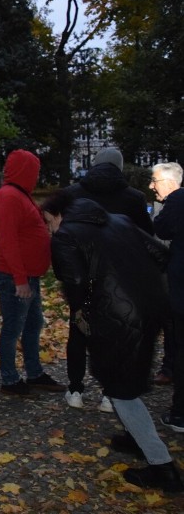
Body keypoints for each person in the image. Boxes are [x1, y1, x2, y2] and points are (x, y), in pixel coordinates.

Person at [41, 190, 183, 492]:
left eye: (47, 222)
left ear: (57, 214)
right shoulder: (119, 221)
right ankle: (135, 437)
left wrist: (81, 311)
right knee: (130, 377)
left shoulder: (65, 235)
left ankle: (163, 467)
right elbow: (161, 254)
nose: (48, 228)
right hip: (152, 309)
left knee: (120, 389)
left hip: (114, 316)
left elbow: (74, 280)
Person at [61, 147, 153, 412]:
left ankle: (75, 388)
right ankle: (109, 393)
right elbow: (145, 235)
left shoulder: (72, 194)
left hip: (81, 271)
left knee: (78, 329)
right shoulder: (133, 198)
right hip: (118, 275)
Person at [0, 149, 65, 397]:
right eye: (35, 170)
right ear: (26, 170)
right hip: (15, 277)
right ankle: (10, 381)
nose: (37, 175)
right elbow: (7, 242)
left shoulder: (21, 195)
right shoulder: (10, 196)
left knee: (34, 324)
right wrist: (20, 280)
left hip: (27, 276)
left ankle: (34, 373)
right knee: (13, 328)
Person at [151, 162, 184, 433]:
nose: (152, 186)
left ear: (170, 184)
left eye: (155, 181)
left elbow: (161, 229)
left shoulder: (176, 200)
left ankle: (180, 414)